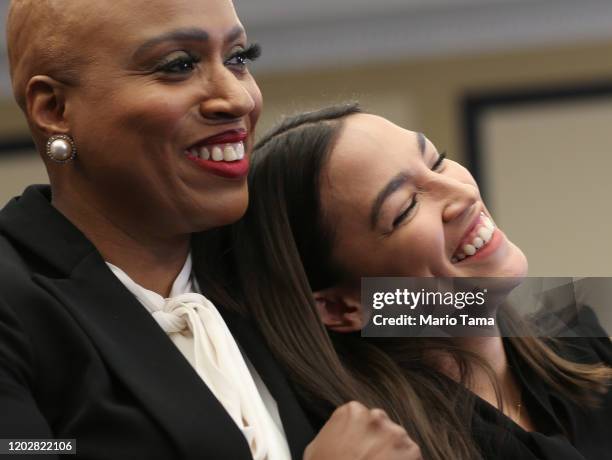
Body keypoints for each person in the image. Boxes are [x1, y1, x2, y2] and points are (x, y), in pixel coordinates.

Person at [0, 2, 422, 459]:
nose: (238, 98)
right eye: (179, 65)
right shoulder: (16, 301)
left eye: (239, 58)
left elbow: (472, 312)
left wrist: (483, 264)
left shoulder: (270, 243)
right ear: (55, 108)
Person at [201, 103, 612, 459]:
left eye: (436, 161)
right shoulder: (381, 448)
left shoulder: (587, 343)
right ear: (342, 306)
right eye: (406, 208)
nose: (461, 193)